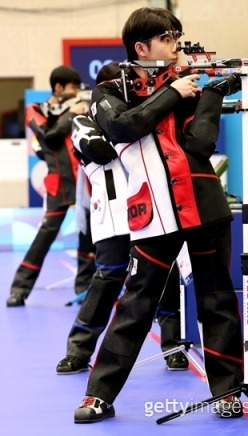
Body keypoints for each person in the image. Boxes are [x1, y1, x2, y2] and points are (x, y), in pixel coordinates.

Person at [73, 7, 244, 423]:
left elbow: (200, 144)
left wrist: (212, 94)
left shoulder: (189, 85)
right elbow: (122, 128)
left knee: (218, 300)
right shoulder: (112, 88)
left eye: (178, 38)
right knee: (135, 303)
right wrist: (175, 92)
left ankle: (228, 392)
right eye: (169, 38)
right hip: (151, 212)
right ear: (142, 47)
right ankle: (98, 395)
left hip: (204, 205)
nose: (176, 46)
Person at [57, 62, 189, 374]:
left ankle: (173, 346)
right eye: (120, 86)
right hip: (114, 217)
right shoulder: (83, 122)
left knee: (165, 277)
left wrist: (136, 118)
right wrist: (126, 124)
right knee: (107, 281)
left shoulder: (143, 117)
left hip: (153, 209)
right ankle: (78, 350)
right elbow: (99, 150)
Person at [6, 66, 96, 307]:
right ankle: (19, 289)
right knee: (43, 240)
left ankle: (83, 290)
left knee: (88, 239)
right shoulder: (35, 109)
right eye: (71, 88)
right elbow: (50, 136)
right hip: (58, 186)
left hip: (84, 184)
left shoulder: (81, 107)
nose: (76, 92)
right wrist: (71, 113)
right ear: (58, 87)